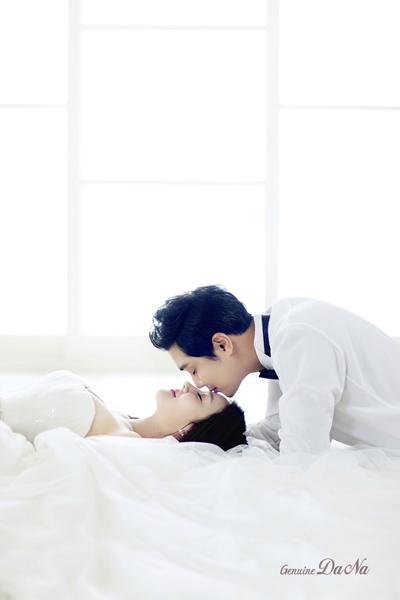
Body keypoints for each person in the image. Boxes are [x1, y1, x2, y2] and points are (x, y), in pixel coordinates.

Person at [149, 285, 400, 455]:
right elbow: (277, 427)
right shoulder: (280, 327)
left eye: (194, 370)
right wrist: (215, 438)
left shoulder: (298, 337)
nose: (198, 383)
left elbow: (303, 453)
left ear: (222, 344)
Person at [0, 370, 247, 451]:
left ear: (188, 430)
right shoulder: (120, 418)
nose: (188, 385)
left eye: (201, 397)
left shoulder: (124, 444)